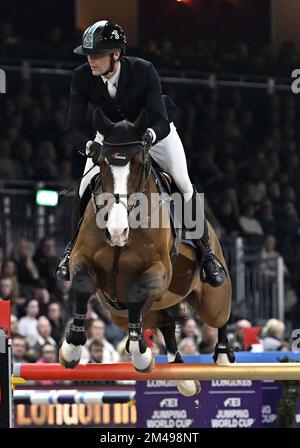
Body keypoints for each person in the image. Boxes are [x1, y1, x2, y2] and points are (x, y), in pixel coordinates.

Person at [55, 20, 226, 287]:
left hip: (151, 133)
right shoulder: (81, 76)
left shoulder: (144, 71)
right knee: (83, 187)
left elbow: (159, 118)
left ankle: (207, 253)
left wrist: (149, 137)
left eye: (97, 54)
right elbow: (72, 127)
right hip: (110, 138)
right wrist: (89, 147)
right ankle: (71, 249)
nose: (91, 61)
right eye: (88, 55)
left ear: (116, 54)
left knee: (183, 184)